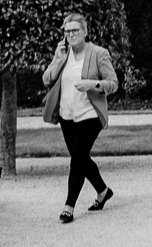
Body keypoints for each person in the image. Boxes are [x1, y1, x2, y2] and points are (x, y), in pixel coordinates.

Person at [40, 11, 119, 222]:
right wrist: (57, 60)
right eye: (67, 31)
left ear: (85, 31)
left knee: (77, 157)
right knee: (81, 157)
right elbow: (47, 80)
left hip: (90, 114)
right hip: (67, 116)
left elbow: (113, 83)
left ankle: (69, 206)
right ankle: (103, 191)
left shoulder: (98, 53)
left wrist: (92, 84)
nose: (71, 35)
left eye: (75, 30)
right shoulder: (63, 54)